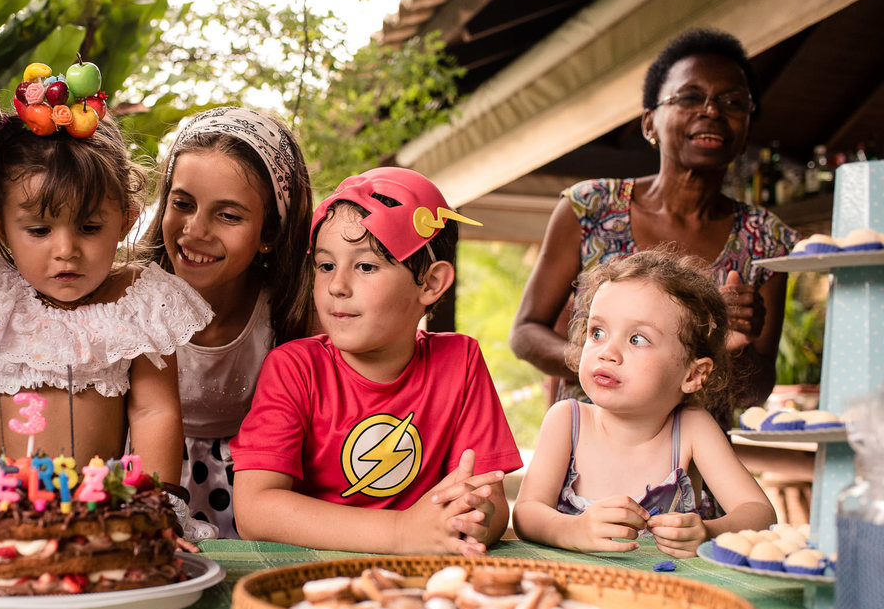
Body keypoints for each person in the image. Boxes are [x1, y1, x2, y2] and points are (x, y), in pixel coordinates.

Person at [0, 65, 213, 507]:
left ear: (125, 220)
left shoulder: (144, 302)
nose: (66, 250)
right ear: (1, 224)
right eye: (39, 230)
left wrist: (159, 505)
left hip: (102, 516)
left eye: (90, 227)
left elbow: (155, 412)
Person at [510, 28, 798, 420]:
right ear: (649, 124)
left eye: (733, 102)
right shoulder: (589, 208)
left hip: (694, 466)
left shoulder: (767, 239)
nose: (712, 110)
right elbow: (526, 332)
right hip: (588, 458)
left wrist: (736, 346)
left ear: (746, 131)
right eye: (690, 97)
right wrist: (605, 362)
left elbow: (757, 390)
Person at [231, 167, 523, 554]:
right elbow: (254, 511)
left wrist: (473, 517)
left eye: (366, 266)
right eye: (325, 265)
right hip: (311, 573)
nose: (337, 286)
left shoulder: (461, 362)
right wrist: (401, 531)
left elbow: (493, 504)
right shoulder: (294, 369)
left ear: (431, 284)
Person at [512, 250, 776, 557]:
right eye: (597, 332)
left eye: (637, 339)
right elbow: (526, 513)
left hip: (668, 594)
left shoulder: (691, 428)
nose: (607, 352)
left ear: (693, 374)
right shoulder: (567, 420)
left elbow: (761, 514)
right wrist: (574, 530)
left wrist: (708, 531)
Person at [140, 107, 314, 537]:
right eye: (182, 204)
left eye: (228, 215)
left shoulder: (291, 309)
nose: (195, 230)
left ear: (270, 233)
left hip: (257, 490)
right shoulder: (129, 300)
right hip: (146, 483)